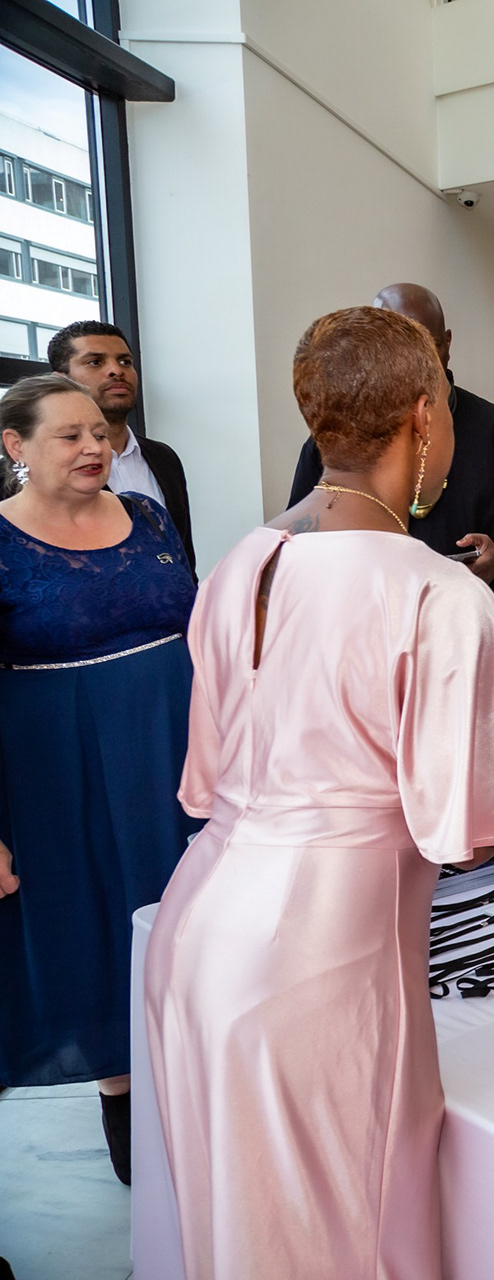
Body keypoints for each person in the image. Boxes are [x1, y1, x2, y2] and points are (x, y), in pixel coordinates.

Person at [145, 306, 494, 1279]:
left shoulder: (240, 565)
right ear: (425, 416)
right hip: (322, 957)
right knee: (346, 1227)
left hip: (197, 925)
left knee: (239, 1228)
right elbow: (467, 830)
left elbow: (209, 774)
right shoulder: (434, 591)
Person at [0, 374, 198, 1186]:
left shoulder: (147, 515)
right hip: (56, 769)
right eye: (70, 435)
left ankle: (202, 1085)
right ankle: (124, 1099)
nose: (95, 447)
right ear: (14, 445)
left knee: (189, 916)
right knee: (95, 929)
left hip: (176, 750)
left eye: (100, 433)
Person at [288, 283, 494, 609]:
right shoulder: (334, 438)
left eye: (428, 346)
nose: (414, 365)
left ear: (447, 343)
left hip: (468, 616)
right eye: (395, 349)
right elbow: (300, 537)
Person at [47, 319, 196, 573]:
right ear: (61, 381)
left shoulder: (164, 458)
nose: (116, 370)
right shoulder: (41, 468)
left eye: (125, 362)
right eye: (96, 362)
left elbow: (183, 556)